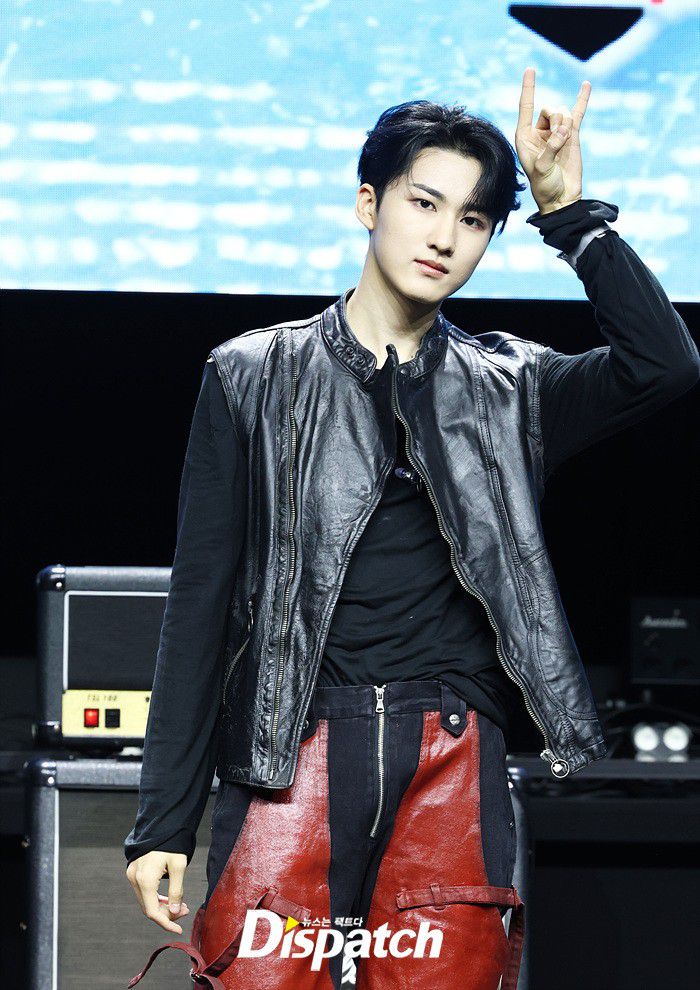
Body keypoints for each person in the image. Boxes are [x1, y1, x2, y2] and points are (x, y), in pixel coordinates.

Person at [125, 68, 700, 989]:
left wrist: (570, 215)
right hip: (290, 755)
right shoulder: (251, 376)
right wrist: (163, 822)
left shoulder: (514, 389)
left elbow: (663, 363)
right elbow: (199, 608)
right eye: (424, 203)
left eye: (472, 219)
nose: (443, 236)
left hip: (448, 759)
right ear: (369, 203)